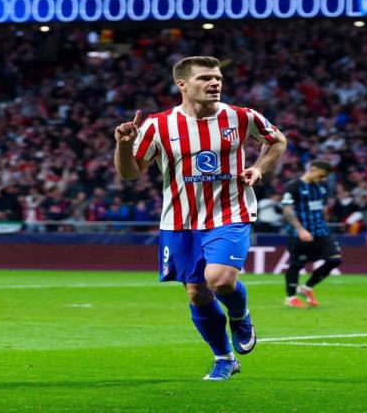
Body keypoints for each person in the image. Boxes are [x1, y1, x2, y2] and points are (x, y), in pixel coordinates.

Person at [114, 56, 286, 380]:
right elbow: (130, 173)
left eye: (217, 77)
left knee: (219, 280)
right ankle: (224, 358)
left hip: (230, 212)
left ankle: (240, 314)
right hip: (180, 221)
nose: (215, 83)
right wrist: (123, 146)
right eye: (205, 78)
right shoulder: (158, 125)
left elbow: (277, 140)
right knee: (197, 292)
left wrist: (259, 167)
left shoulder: (242, 117)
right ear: (182, 84)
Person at [281, 160, 343, 308]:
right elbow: (287, 209)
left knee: (335, 259)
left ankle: (307, 287)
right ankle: (290, 297)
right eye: (321, 175)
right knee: (296, 264)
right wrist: (300, 229)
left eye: (325, 176)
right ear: (313, 169)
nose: (323, 179)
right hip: (300, 233)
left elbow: (321, 207)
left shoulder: (321, 187)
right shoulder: (293, 186)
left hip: (321, 231)